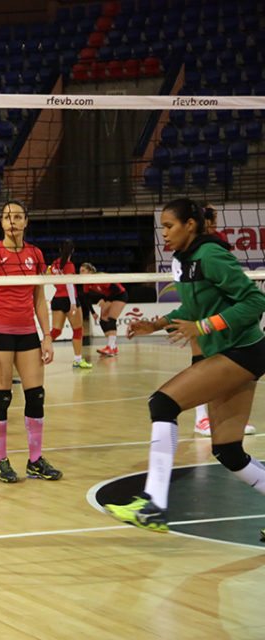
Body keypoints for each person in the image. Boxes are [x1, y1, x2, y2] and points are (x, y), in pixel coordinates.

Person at [104, 197, 265, 532]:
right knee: (228, 451)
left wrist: (204, 327)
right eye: (161, 227)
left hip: (243, 350)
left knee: (162, 403)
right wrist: (157, 323)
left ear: (190, 225)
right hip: (228, 351)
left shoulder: (211, 254)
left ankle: (154, 505)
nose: (163, 233)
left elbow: (255, 302)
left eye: (168, 226)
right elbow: (193, 308)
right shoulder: (184, 259)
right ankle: (155, 505)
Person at [0, 200, 63, 483]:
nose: (11, 221)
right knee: (2, 396)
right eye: (6, 217)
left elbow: (39, 297)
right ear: (1, 223)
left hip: (28, 334)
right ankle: (0, 461)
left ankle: (35, 460)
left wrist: (47, 336)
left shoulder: (35, 254)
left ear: (26, 222)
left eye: (16, 216)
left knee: (36, 394)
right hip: (0, 335)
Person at [190, 203, 255, 437]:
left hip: (219, 304)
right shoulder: (191, 244)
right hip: (200, 302)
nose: (215, 222)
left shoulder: (217, 242)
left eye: (215, 218)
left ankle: (228, 419)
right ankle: (201, 419)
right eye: (211, 218)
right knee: (201, 358)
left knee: (226, 362)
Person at [47, 239, 91, 369]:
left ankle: (37, 351)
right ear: (73, 250)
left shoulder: (54, 264)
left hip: (57, 299)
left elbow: (51, 279)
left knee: (56, 331)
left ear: (60, 250)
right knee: (78, 330)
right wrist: (72, 303)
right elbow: (70, 284)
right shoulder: (69, 265)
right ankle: (78, 360)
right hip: (69, 299)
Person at [79, 262, 127, 357]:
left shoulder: (99, 277)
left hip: (120, 295)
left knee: (110, 319)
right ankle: (112, 346)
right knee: (103, 320)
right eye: (80, 271)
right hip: (109, 297)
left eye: (83, 271)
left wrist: (105, 300)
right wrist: (93, 312)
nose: (80, 273)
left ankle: (111, 347)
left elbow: (116, 289)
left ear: (90, 272)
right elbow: (86, 298)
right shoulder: (86, 283)